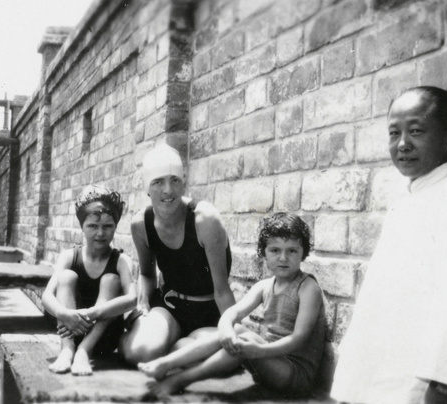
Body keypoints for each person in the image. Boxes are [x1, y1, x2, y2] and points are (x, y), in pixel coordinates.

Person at [331, 86, 447, 404]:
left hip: (424, 385)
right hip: (383, 370)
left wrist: (439, 388)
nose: (403, 144)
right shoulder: (404, 202)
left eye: (416, 131)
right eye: (394, 133)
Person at [137, 212, 326, 399]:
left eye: (292, 250)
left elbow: (299, 339)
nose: (283, 258)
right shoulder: (265, 286)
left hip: (294, 375)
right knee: (235, 332)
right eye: (275, 250)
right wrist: (227, 329)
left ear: (303, 254)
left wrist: (260, 351)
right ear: (264, 254)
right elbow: (232, 313)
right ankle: (167, 364)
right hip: (267, 363)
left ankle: (180, 378)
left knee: (243, 336)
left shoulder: (307, 288)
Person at [118, 143, 235, 365]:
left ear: (183, 182)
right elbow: (147, 274)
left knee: (215, 356)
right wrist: (143, 305)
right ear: (147, 188)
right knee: (137, 353)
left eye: (175, 180)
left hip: (209, 310)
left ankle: (177, 347)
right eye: (158, 182)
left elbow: (222, 290)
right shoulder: (141, 224)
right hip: (170, 307)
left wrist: (232, 328)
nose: (168, 190)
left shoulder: (205, 220)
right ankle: (162, 342)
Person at [41, 185, 136, 376]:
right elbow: (46, 297)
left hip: (105, 338)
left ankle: (84, 350)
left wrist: (94, 312)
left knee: (110, 280)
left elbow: (133, 299)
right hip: (71, 330)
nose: (100, 233)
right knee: (66, 276)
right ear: (82, 227)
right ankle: (67, 349)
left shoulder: (121, 261)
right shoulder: (69, 256)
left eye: (107, 226)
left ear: (115, 227)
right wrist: (64, 313)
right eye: (93, 226)